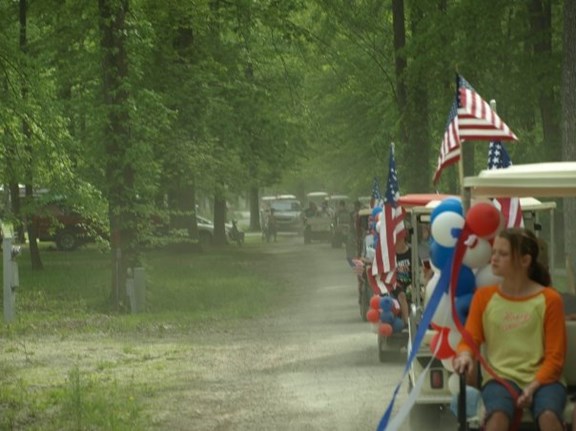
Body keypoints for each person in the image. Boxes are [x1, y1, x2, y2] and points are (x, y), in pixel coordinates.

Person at [453, 228, 566, 431]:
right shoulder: (483, 297)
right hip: (501, 379)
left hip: (546, 380)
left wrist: (533, 386)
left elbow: (555, 359)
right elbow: (470, 339)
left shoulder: (550, 300)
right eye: (493, 252)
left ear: (525, 261)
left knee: (548, 417)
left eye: (502, 254)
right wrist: (464, 355)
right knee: (497, 417)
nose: (494, 259)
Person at [393, 234, 412, 327]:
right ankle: (407, 322)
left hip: (411, 282)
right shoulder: (392, 254)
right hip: (397, 283)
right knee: (402, 295)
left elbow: (419, 268)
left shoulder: (411, 252)